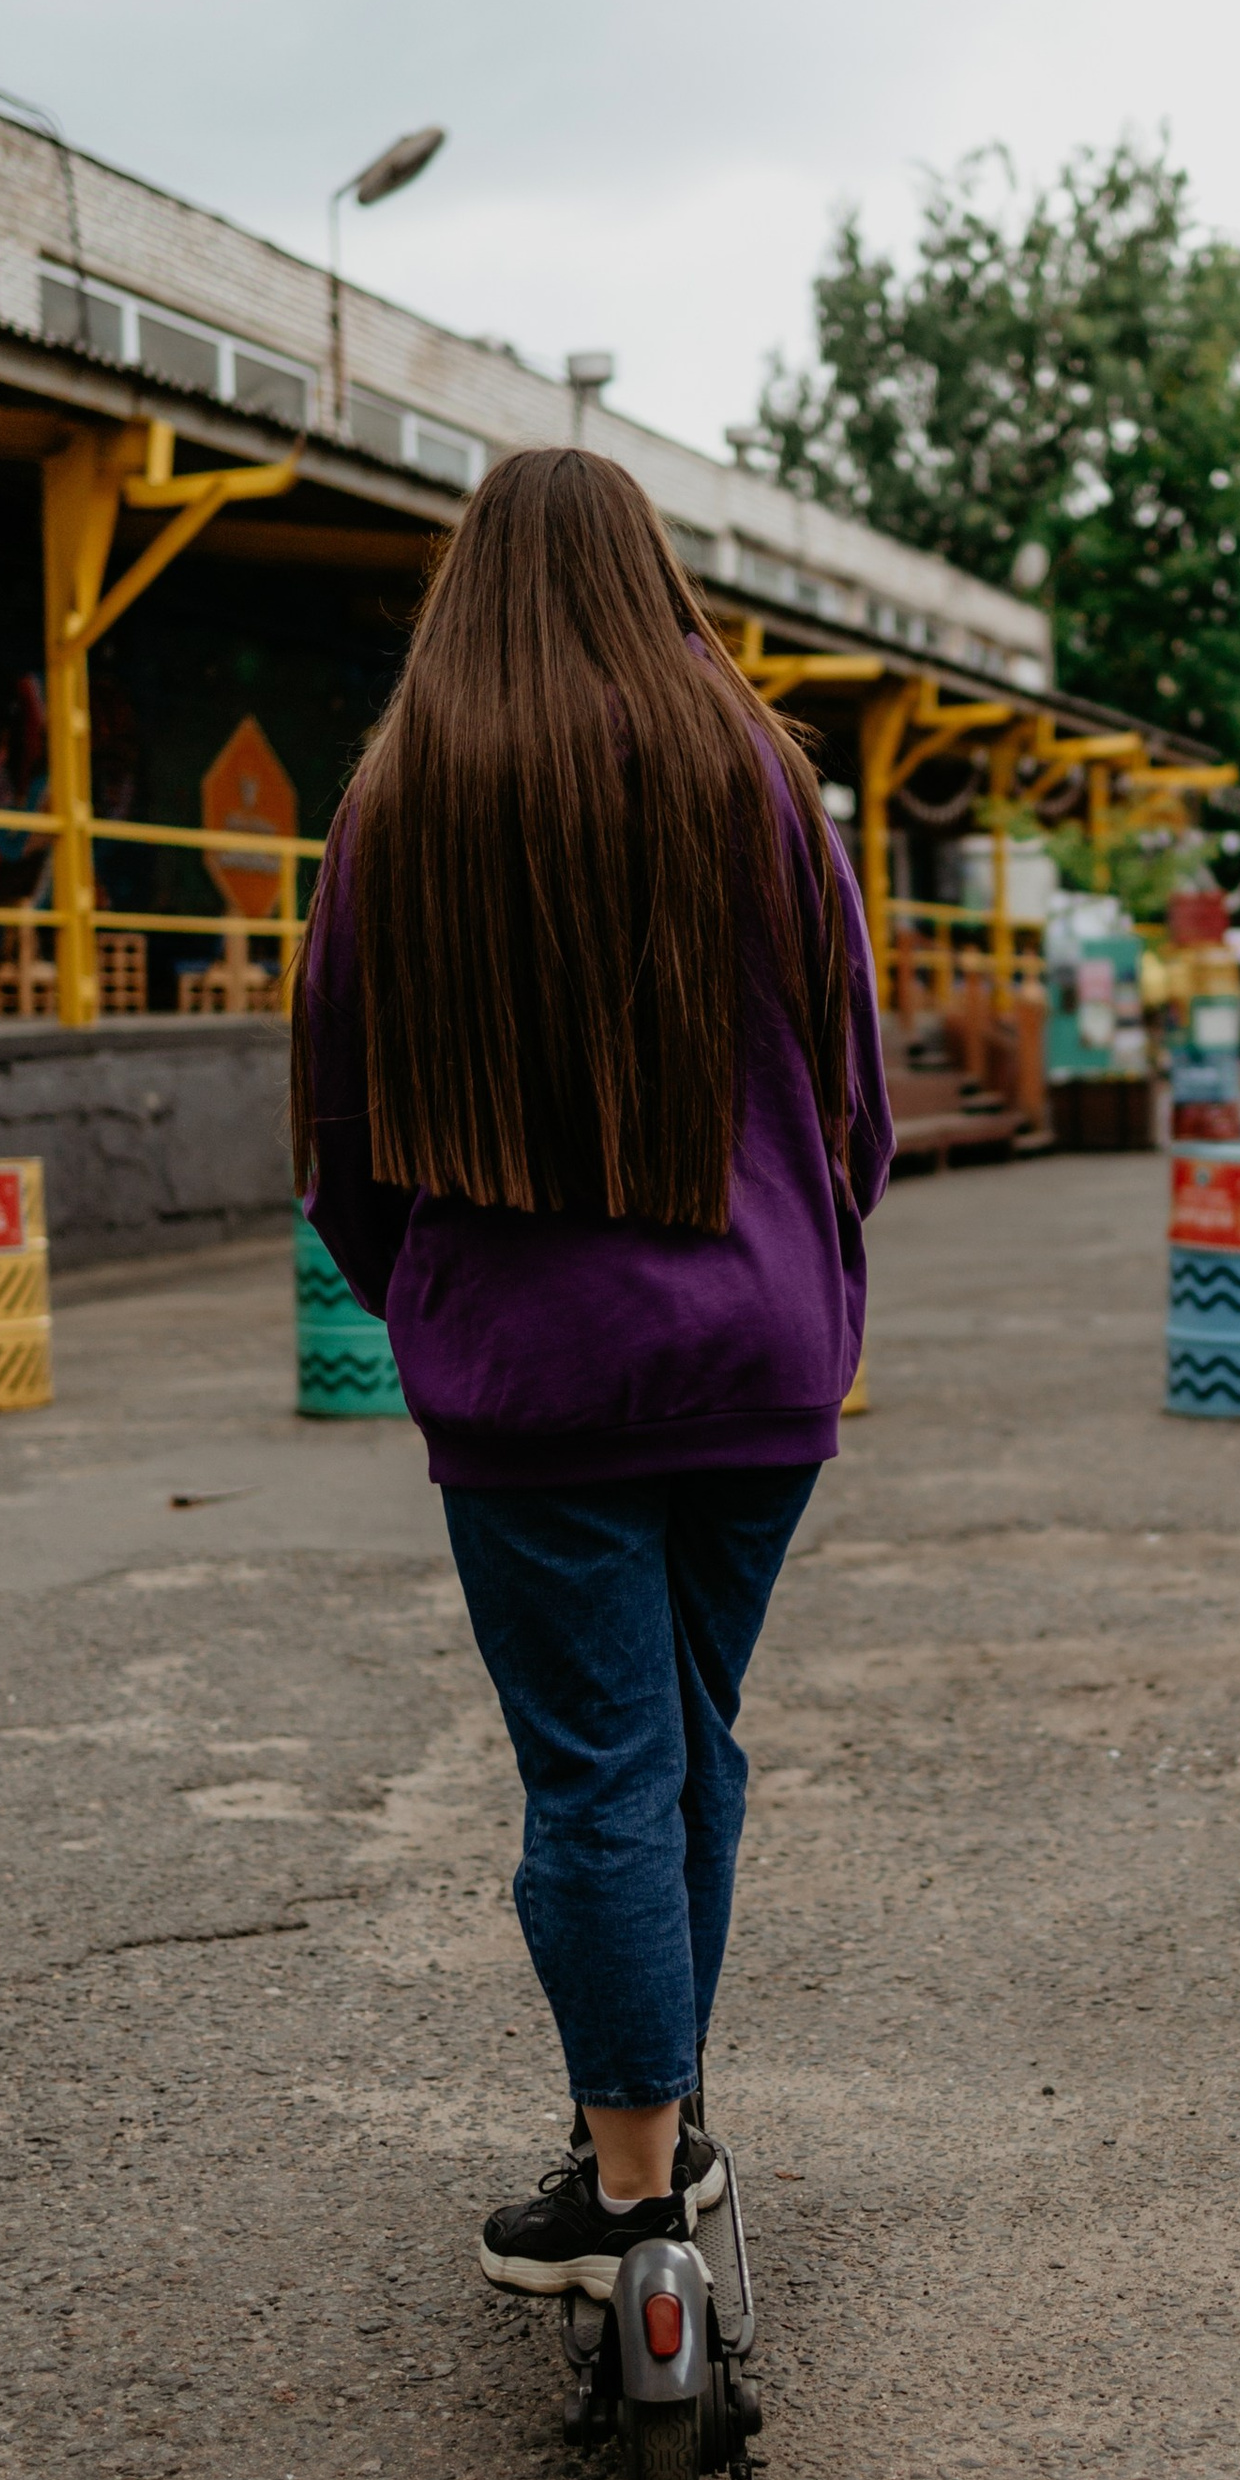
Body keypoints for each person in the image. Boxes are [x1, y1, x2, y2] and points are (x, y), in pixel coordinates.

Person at [294, 446, 892, 2296]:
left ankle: (631, 2199)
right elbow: (854, 1082)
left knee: (602, 1771)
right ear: (658, 575)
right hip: (759, 1350)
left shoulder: (407, 793)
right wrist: (809, 1263)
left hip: (530, 1373)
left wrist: (434, 1303)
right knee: (688, 1745)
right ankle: (658, 2131)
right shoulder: (759, 770)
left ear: (466, 587)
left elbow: (337, 1122)